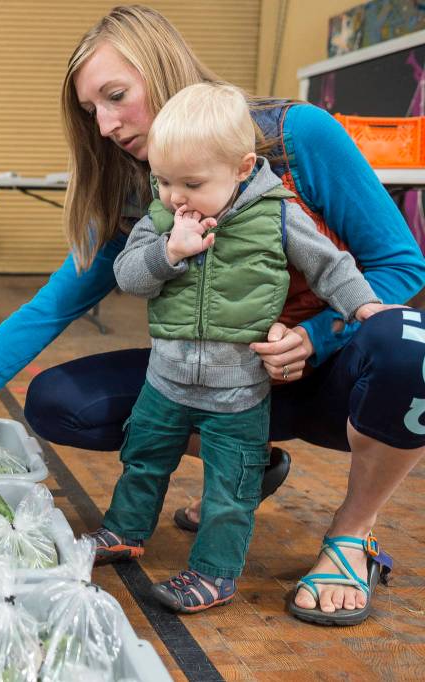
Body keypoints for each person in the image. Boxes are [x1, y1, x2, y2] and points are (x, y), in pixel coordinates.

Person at [0, 5, 425, 624]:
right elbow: (47, 310)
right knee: (59, 400)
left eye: (116, 96)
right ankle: (248, 463)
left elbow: (400, 265)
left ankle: (351, 535)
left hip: (330, 382)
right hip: (215, 380)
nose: (106, 125)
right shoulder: (142, 191)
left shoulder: (294, 136)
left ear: (163, 68)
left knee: (409, 348)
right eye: (92, 111)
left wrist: (315, 335)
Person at [92, 81, 390, 614]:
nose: (175, 196)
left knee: (230, 487)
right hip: (165, 381)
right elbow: (129, 276)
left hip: (239, 390)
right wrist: (167, 253)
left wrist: (363, 306)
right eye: (163, 180)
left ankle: (214, 573)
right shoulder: (161, 220)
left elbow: (331, 267)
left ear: (242, 168)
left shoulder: (277, 214)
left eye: (192, 183)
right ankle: (124, 530)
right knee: (142, 460)